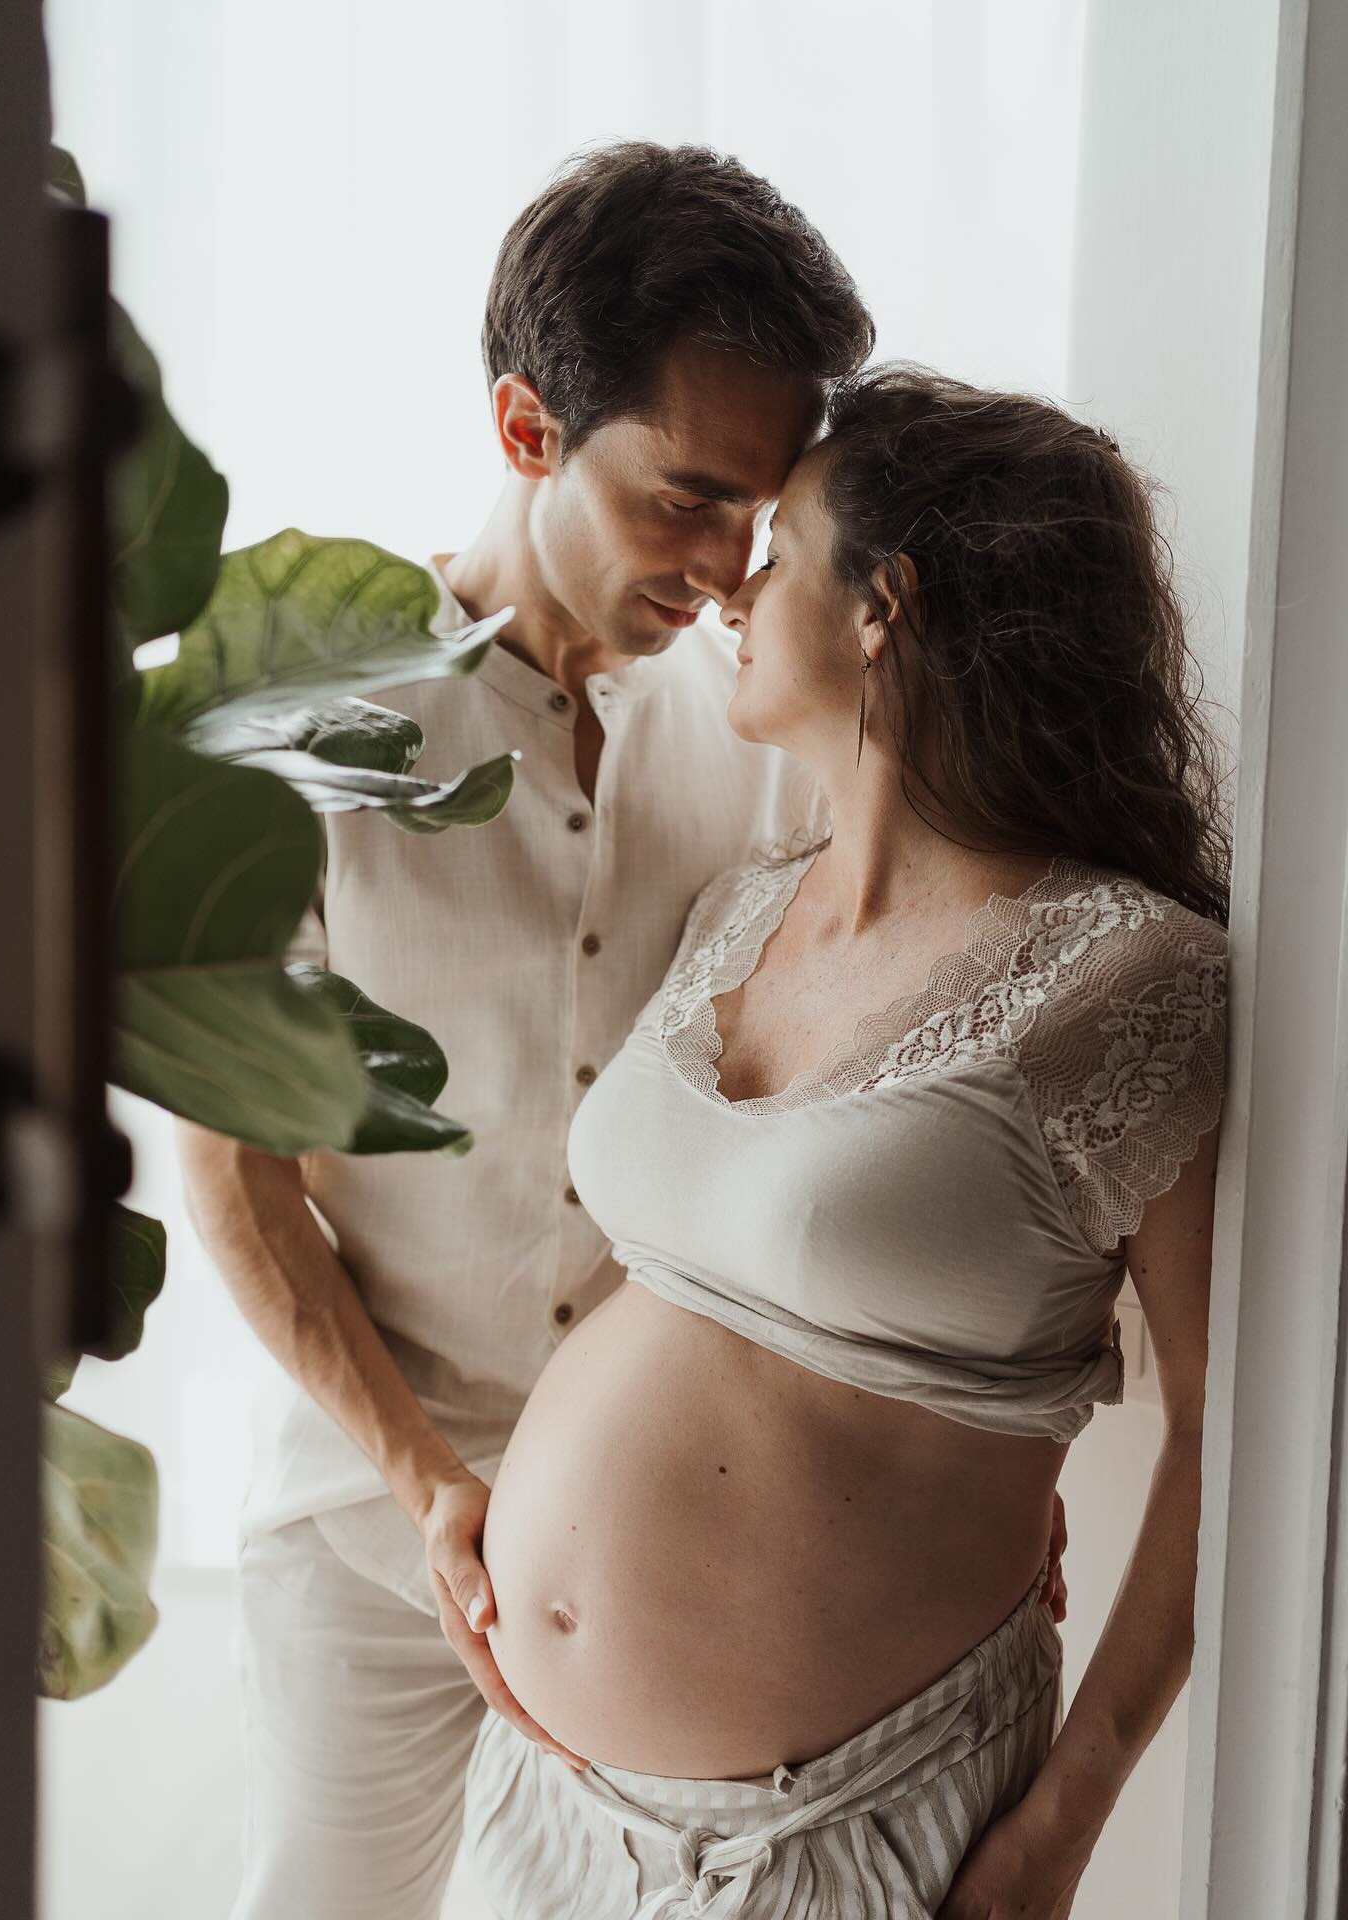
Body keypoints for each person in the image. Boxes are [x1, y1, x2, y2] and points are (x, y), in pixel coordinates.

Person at [182, 143, 1062, 1920]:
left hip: (676, 1580)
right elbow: (239, 1181)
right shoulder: (294, 735)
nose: (733, 563)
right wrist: (430, 1490)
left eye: (762, 514)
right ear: (526, 429)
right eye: (686, 499)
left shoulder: (762, 736)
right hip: (369, 1538)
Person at [458, 365, 1231, 1919]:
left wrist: (1064, 1824)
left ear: (887, 602)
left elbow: (1234, 1439)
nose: (735, 583)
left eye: (782, 542)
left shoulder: (1127, 975)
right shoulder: (748, 902)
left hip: (835, 1832)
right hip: (540, 1798)